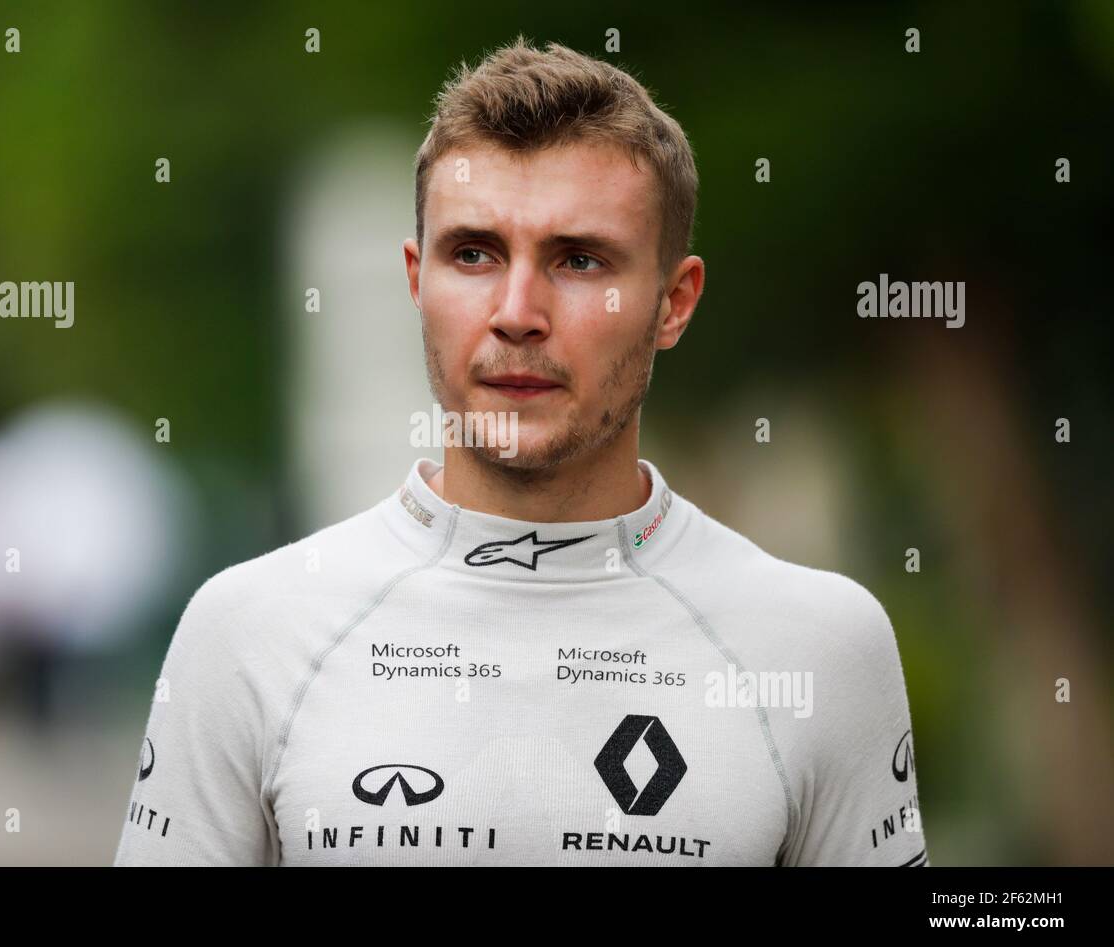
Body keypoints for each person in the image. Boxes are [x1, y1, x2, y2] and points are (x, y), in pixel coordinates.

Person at [114, 36, 927, 867]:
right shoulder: (248, 632)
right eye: (473, 254)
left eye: (579, 260)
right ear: (416, 280)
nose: (516, 312)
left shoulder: (821, 645)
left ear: (673, 303)